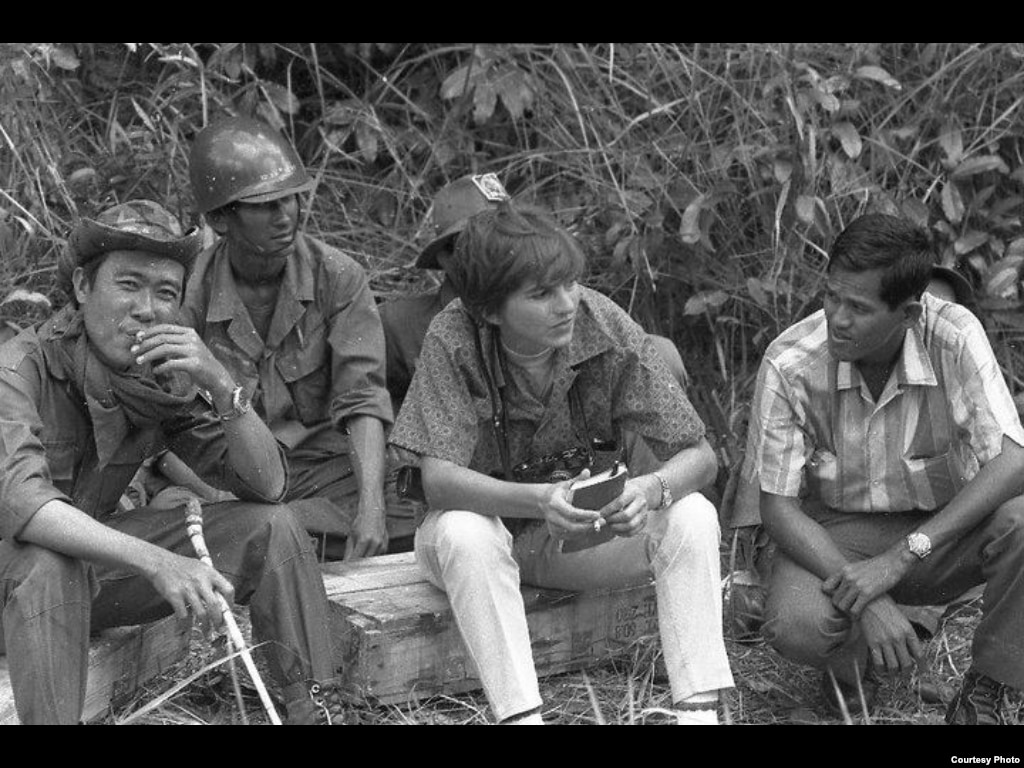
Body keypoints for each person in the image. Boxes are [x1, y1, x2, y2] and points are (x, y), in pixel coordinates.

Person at [0, 200, 347, 724]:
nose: (147, 308)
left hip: (75, 587)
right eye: (128, 285)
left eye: (166, 293)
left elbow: (269, 487)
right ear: (81, 288)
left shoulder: (155, 382)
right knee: (50, 559)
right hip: (20, 582)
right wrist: (157, 559)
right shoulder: (17, 371)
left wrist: (219, 383)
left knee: (271, 527)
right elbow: (27, 509)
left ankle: (316, 710)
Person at [388, 201, 735, 725]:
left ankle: (699, 715)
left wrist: (649, 489)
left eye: (570, 283)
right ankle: (521, 717)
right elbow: (436, 480)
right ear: (489, 311)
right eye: (541, 294)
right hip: (477, 547)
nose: (566, 303)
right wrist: (538, 500)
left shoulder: (602, 322)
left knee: (694, 515)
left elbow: (700, 455)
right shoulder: (453, 335)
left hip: (572, 542)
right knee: (465, 531)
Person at [745, 212, 1024, 724]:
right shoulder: (790, 362)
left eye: (858, 307)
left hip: (940, 534)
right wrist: (870, 601)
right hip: (836, 535)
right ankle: (848, 678)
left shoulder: (954, 336)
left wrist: (900, 558)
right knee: (797, 624)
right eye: (831, 296)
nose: (837, 318)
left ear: (910, 313)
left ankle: (988, 690)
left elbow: (1013, 459)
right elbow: (778, 510)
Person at [177, 115, 412, 560]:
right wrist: (217, 495)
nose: (286, 216)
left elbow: (362, 399)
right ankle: (278, 537)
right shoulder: (188, 291)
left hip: (324, 469)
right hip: (226, 473)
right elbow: (166, 423)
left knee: (423, 503)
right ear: (219, 219)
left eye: (291, 199)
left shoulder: (338, 277)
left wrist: (370, 508)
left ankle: (277, 539)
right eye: (265, 205)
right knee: (180, 515)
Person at [380, 174, 688, 417]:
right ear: (446, 257)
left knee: (659, 355)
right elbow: (371, 409)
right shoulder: (400, 324)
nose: (497, 247)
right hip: (474, 470)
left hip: (569, 446)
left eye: (508, 232)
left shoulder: (565, 301)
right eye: (476, 240)